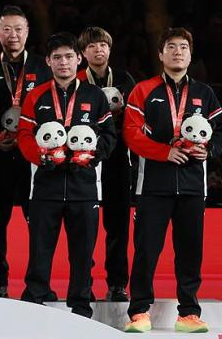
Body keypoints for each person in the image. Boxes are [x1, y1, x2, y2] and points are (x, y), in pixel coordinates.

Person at [123, 28, 222, 333]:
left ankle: (189, 314)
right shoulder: (143, 90)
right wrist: (163, 152)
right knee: (146, 250)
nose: (177, 52)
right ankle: (139, 312)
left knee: (190, 251)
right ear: (160, 54)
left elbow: (221, 129)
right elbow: (131, 133)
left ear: (190, 55)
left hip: (193, 186)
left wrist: (209, 150)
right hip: (153, 186)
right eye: (171, 47)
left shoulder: (204, 93)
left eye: (183, 47)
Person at [17, 32, 116, 318]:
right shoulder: (36, 96)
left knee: (83, 254)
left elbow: (109, 135)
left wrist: (92, 157)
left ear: (79, 59)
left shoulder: (94, 96)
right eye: (57, 57)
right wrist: (41, 157)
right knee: (40, 250)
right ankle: (34, 302)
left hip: (84, 187)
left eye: (69, 57)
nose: (64, 62)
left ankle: (81, 306)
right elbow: (24, 135)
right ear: (48, 61)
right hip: (45, 187)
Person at [0, 5, 52, 297]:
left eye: (18, 29)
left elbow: (52, 111)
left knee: (39, 222)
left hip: (33, 156)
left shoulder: (43, 67)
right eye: (6, 29)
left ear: (27, 32)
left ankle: (39, 284)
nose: (13, 35)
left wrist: (32, 141)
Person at [76, 26, 135, 301]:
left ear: (110, 49)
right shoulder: (77, 80)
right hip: (84, 160)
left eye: (103, 45)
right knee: (84, 225)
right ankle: (82, 284)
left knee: (118, 224)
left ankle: (118, 283)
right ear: (83, 53)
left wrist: (121, 114)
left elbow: (138, 117)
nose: (98, 50)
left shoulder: (124, 79)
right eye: (92, 46)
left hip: (117, 159)